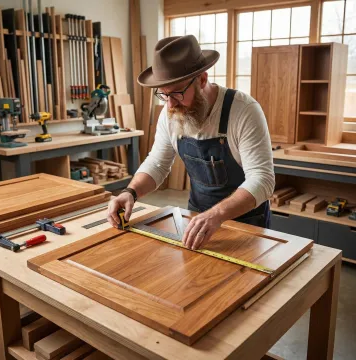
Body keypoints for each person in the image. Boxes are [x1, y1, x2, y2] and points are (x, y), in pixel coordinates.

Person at [107, 34, 275, 250]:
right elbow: (157, 164)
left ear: (202, 79)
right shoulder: (171, 113)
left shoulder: (243, 111)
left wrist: (217, 214)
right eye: (163, 95)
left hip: (247, 224)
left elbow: (262, 180)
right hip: (196, 220)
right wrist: (130, 192)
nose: (170, 105)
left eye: (177, 93)